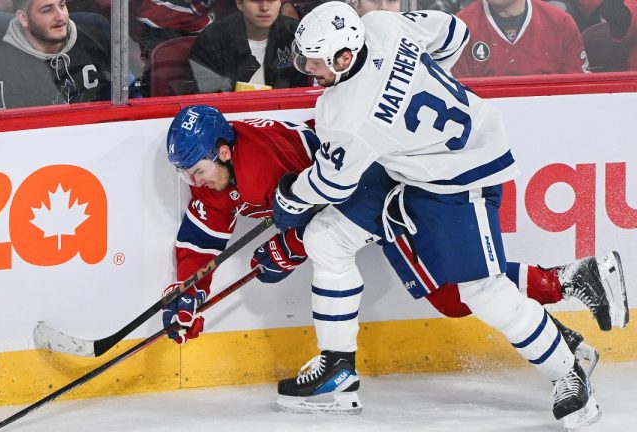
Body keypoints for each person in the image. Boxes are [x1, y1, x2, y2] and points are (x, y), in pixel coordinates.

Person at [271, 2, 623, 427]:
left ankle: (568, 370)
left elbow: (332, 185)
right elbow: (453, 33)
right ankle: (338, 369)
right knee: (328, 239)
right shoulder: (381, 25)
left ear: (345, 57)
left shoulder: (342, 114)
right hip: (411, 164)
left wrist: (290, 197)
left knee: (481, 292)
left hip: (459, 177)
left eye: (315, 61)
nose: (307, 68)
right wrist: (413, 92)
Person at [159, 106, 627, 415]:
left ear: (223, 152)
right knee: (455, 291)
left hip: (380, 191)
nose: (197, 183)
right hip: (364, 204)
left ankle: (566, 294)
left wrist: (291, 245)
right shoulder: (219, 173)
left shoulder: (260, 161)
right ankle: (569, 292)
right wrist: (186, 294)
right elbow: (201, 241)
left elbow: (329, 197)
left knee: (455, 293)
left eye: (198, 171)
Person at [0, 0, 110, 110]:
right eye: (48, 10)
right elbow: (9, 134)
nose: (60, 16)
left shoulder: (95, 40)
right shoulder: (0, 69)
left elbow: (127, 94)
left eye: (62, 5)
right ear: (24, 18)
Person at [188, 0, 308, 94]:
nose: (265, 8)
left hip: (287, 112)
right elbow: (206, 94)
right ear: (239, 3)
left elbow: (307, 87)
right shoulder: (213, 38)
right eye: (255, 1)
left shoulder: (296, 34)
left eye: (272, 0)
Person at [452, 0, 588, 77]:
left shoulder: (560, 22)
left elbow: (577, 92)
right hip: (485, 123)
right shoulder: (460, 26)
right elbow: (456, 97)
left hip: (549, 119)